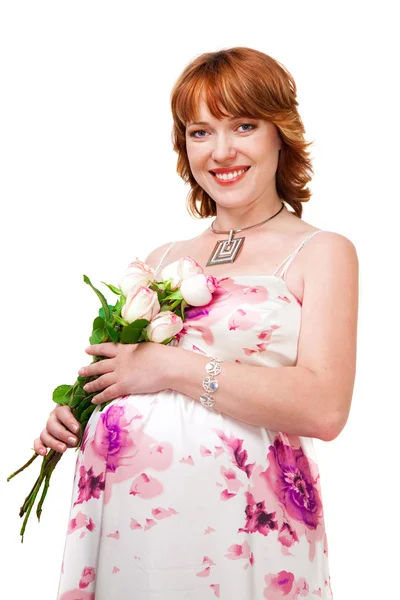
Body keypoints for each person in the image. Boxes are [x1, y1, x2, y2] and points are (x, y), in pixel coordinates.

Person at [34, 47, 358, 600]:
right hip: (130, 526)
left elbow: (324, 409)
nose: (222, 151)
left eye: (244, 125)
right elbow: (120, 374)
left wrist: (172, 366)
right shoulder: (160, 259)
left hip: (242, 526)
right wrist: (77, 412)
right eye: (200, 131)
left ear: (280, 133)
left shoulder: (320, 252)